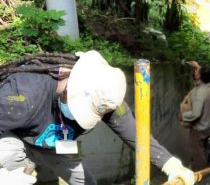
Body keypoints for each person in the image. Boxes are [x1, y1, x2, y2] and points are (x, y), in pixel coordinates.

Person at [0, 50, 194, 185]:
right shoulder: (22, 96)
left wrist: (171, 165)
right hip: (14, 138)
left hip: (55, 144)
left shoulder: (103, 93)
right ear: (71, 87)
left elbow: (136, 135)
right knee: (11, 160)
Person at [181, 61, 210, 171]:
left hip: (198, 130)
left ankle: (199, 175)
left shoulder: (200, 92)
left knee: (196, 153)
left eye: (197, 71)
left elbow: (196, 113)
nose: (195, 71)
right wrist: (198, 67)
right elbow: (206, 76)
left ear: (199, 76)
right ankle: (203, 167)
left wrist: (183, 116)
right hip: (207, 126)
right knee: (202, 149)